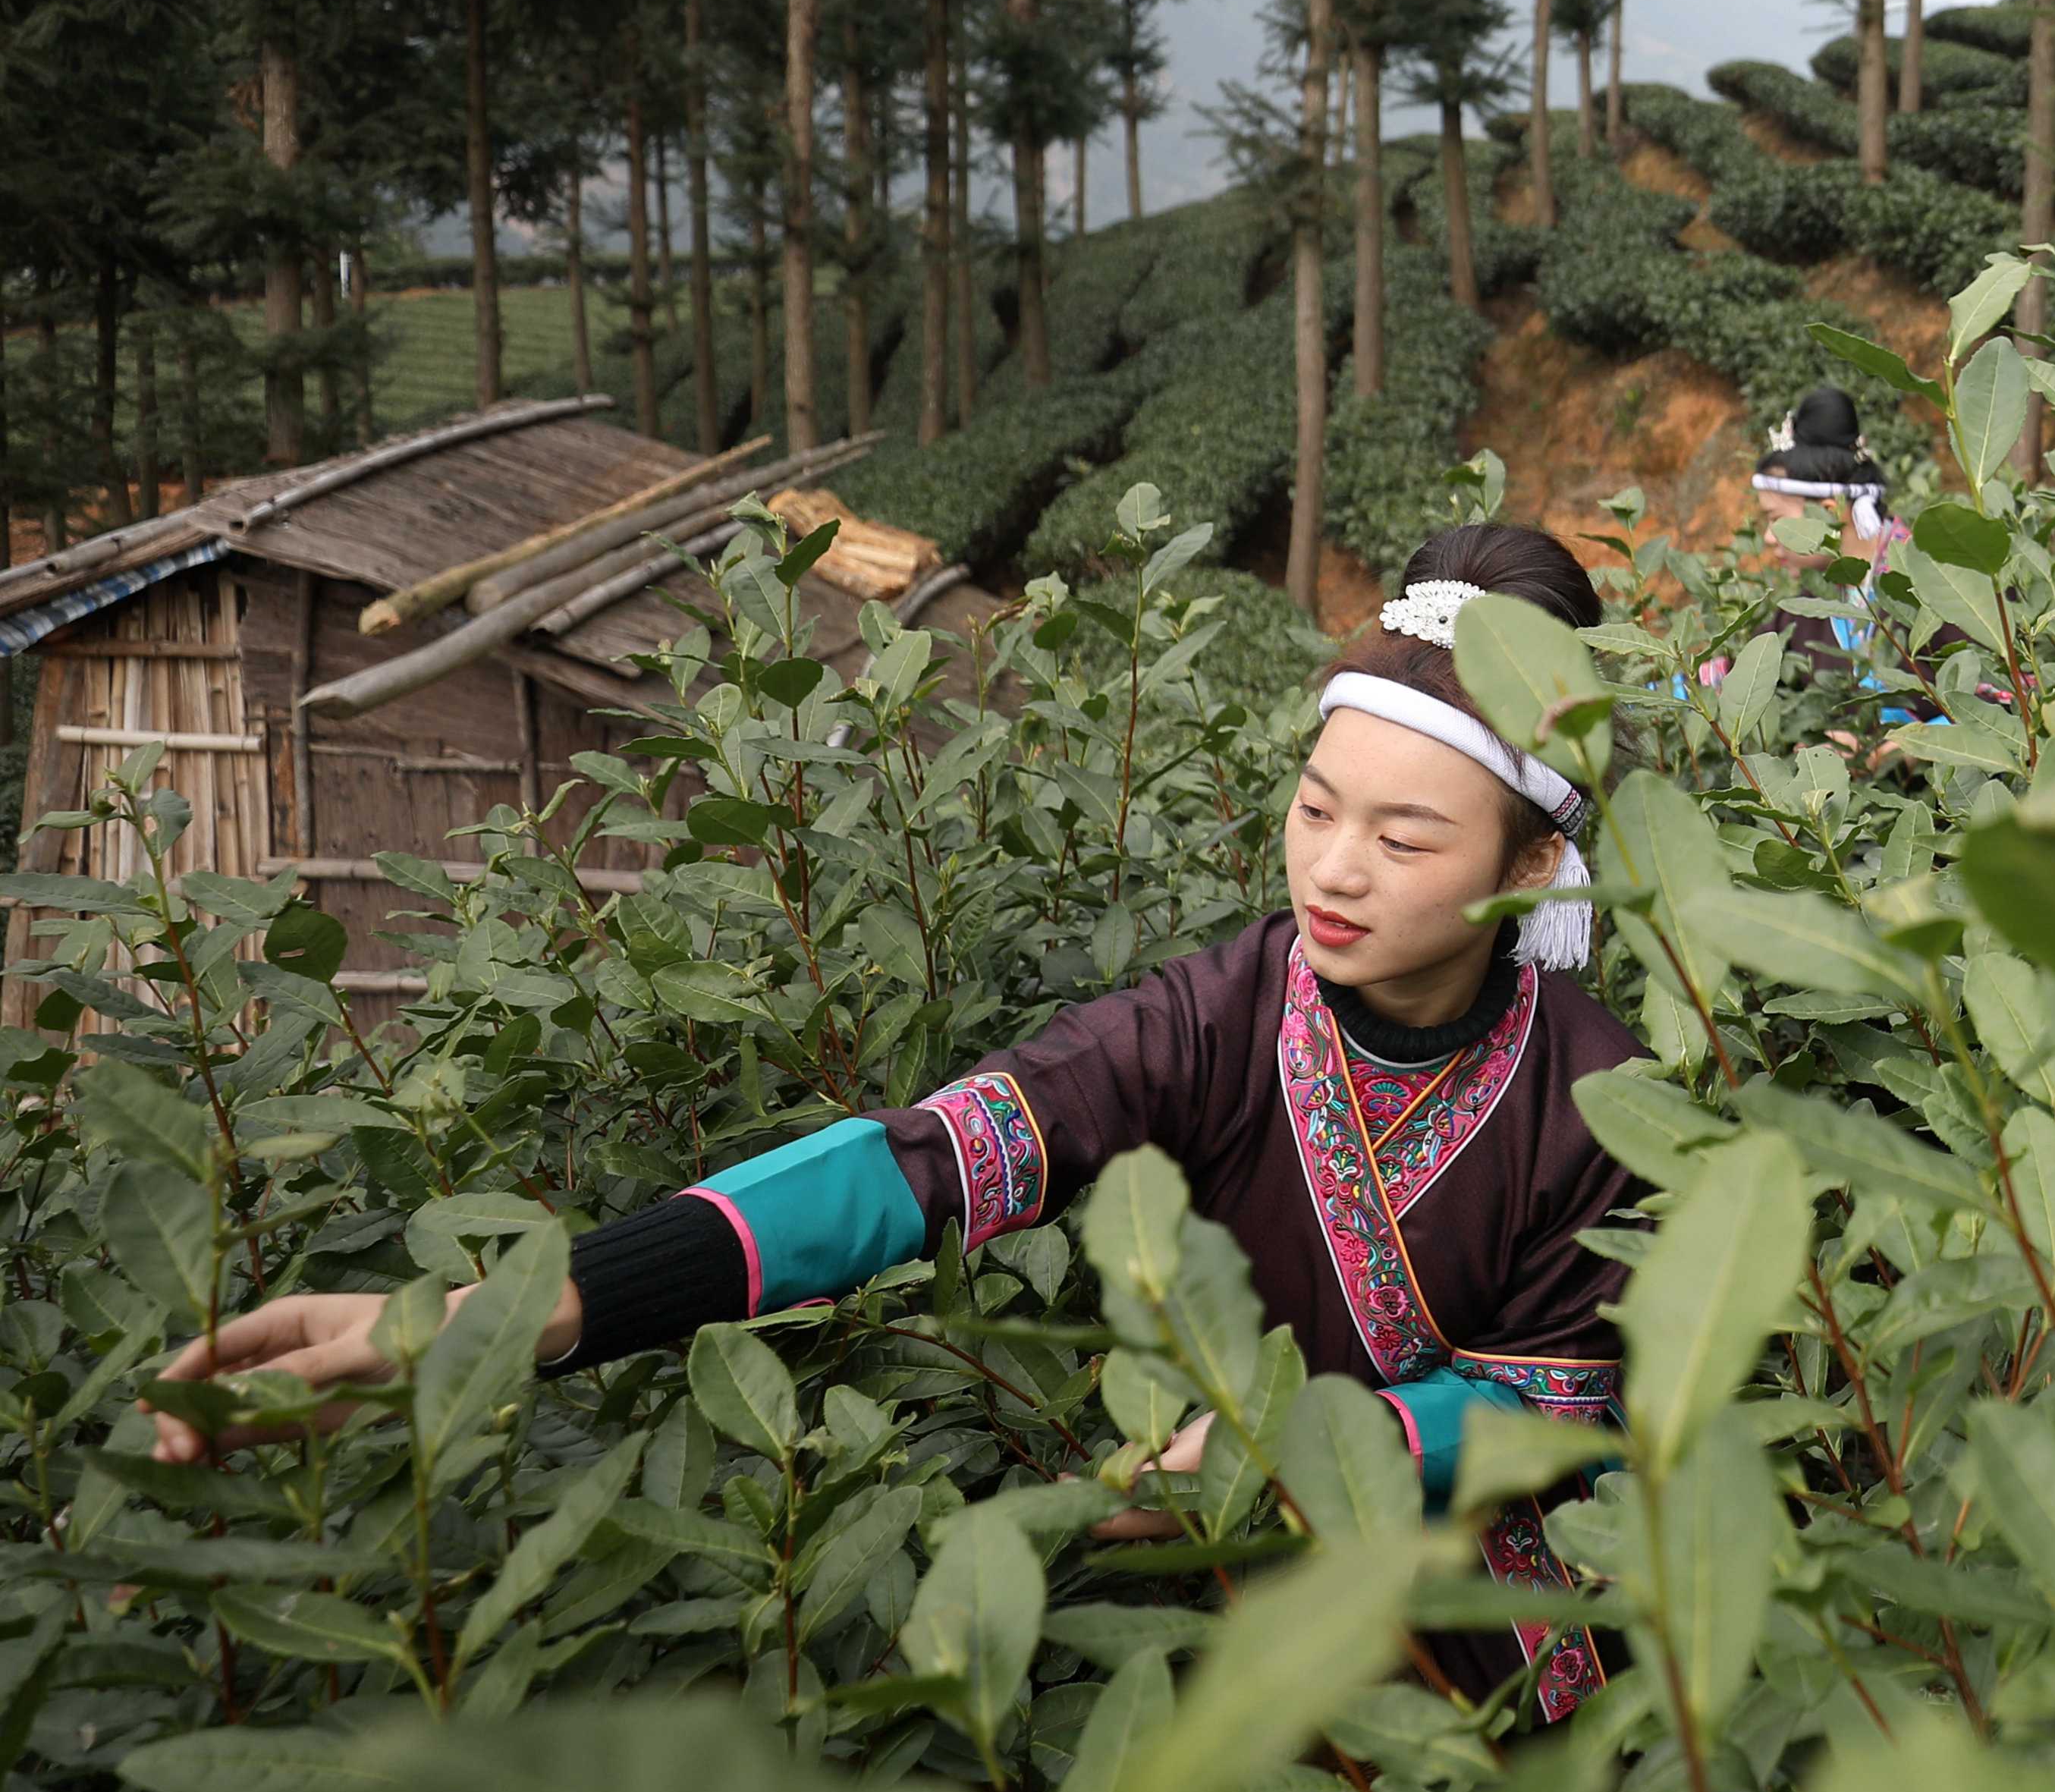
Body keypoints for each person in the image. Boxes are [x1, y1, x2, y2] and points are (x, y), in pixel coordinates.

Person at [153, 520, 1649, 1721]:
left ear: (1529, 868)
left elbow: (1554, 1406)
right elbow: (921, 1161)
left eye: (1402, 835)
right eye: (1315, 807)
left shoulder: (1597, 1097)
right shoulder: (1220, 1017)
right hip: (1273, 1636)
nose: (1332, 867)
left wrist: (1302, 1446)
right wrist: (510, 1310)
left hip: (1522, 1665)